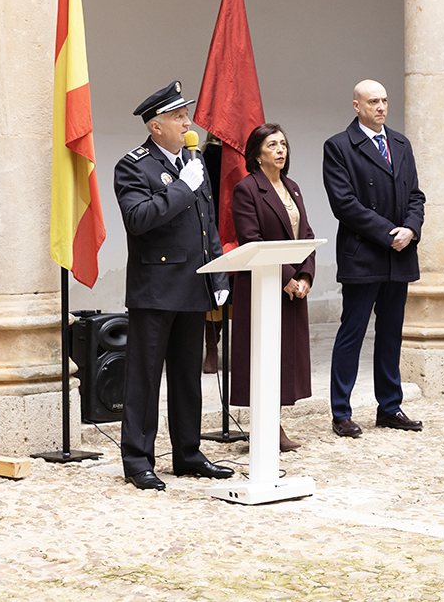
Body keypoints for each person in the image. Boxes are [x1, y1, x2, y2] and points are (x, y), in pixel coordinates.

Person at [113, 80, 234, 490]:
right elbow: (139, 219)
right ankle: (138, 460)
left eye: (185, 115)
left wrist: (218, 275)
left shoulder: (193, 161)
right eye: (178, 116)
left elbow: (207, 228)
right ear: (155, 127)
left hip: (193, 285)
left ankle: (188, 453)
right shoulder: (133, 166)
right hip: (156, 287)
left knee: (187, 377)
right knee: (144, 379)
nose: (187, 122)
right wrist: (184, 187)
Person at [322, 79, 426, 437]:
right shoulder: (338, 147)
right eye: (373, 102)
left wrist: (410, 229)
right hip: (363, 254)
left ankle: (390, 407)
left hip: (400, 253)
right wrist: (388, 233)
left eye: (384, 100)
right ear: (356, 106)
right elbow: (345, 204)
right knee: (352, 332)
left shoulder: (400, 143)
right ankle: (341, 411)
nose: (381, 107)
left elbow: (416, 195)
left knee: (391, 334)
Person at [230, 123, 316, 452]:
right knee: (261, 354)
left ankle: (274, 423)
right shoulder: (247, 189)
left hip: (293, 288)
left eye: (283, 144)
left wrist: (305, 277)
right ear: (257, 154)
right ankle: (264, 427)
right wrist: (287, 279)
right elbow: (252, 241)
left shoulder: (292, 187)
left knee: (285, 357)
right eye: (272, 145)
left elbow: (306, 235)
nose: (280, 150)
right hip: (263, 286)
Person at [201, 132, 223, 374]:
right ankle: (211, 350)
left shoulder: (243, 155)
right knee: (212, 294)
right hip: (213, 228)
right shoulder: (205, 156)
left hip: (239, 227)